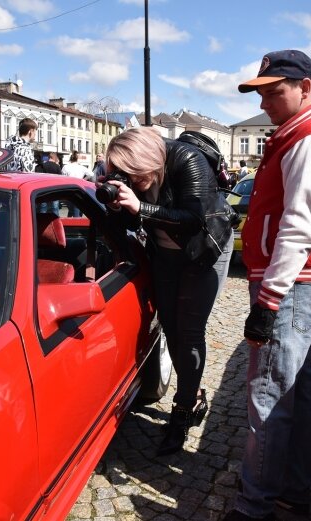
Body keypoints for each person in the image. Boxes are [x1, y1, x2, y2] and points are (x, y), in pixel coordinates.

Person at [225, 49, 311, 521]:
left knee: (270, 394)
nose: (264, 104)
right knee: (296, 386)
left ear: (305, 89)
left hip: (292, 284)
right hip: (300, 282)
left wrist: (268, 299)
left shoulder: (309, 139)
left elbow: (300, 226)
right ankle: (290, 491)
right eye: (262, 93)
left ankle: (255, 505)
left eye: (274, 93)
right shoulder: (301, 134)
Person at [104, 126, 231, 457]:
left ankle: (182, 411)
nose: (134, 180)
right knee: (170, 329)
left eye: (138, 173)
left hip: (203, 250)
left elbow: (194, 219)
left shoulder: (187, 159)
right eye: (127, 175)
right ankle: (194, 392)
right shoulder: (132, 174)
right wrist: (119, 209)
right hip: (165, 255)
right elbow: (131, 226)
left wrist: (140, 207)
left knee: (188, 332)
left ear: (150, 158)